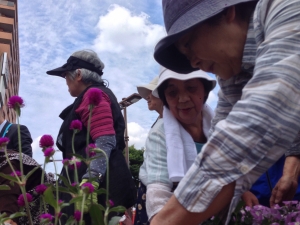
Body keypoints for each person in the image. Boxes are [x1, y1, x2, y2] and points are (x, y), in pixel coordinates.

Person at [151, 0, 300, 224]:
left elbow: (271, 105)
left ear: (227, 11)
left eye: (189, 44)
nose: (192, 61)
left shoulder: (285, 8)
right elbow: (221, 132)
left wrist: (167, 220)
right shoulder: (233, 75)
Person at [46, 50, 136, 223]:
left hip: (93, 189)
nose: (65, 81)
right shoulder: (97, 94)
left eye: (66, 75)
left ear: (78, 74)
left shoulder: (93, 95)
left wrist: (91, 181)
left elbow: (105, 140)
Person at [139, 67, 215, 223]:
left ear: (205, 92)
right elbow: (157, 192)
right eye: (173, 93)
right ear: (165, 99)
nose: (182, 99)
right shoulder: (160, 133)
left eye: (191, 88)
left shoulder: (219, 127)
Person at [134, 76, 163, 225]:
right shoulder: (160, 119)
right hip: (148, 187)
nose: (147, 97)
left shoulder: (171, 122)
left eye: (151, 92)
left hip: (158, 188)